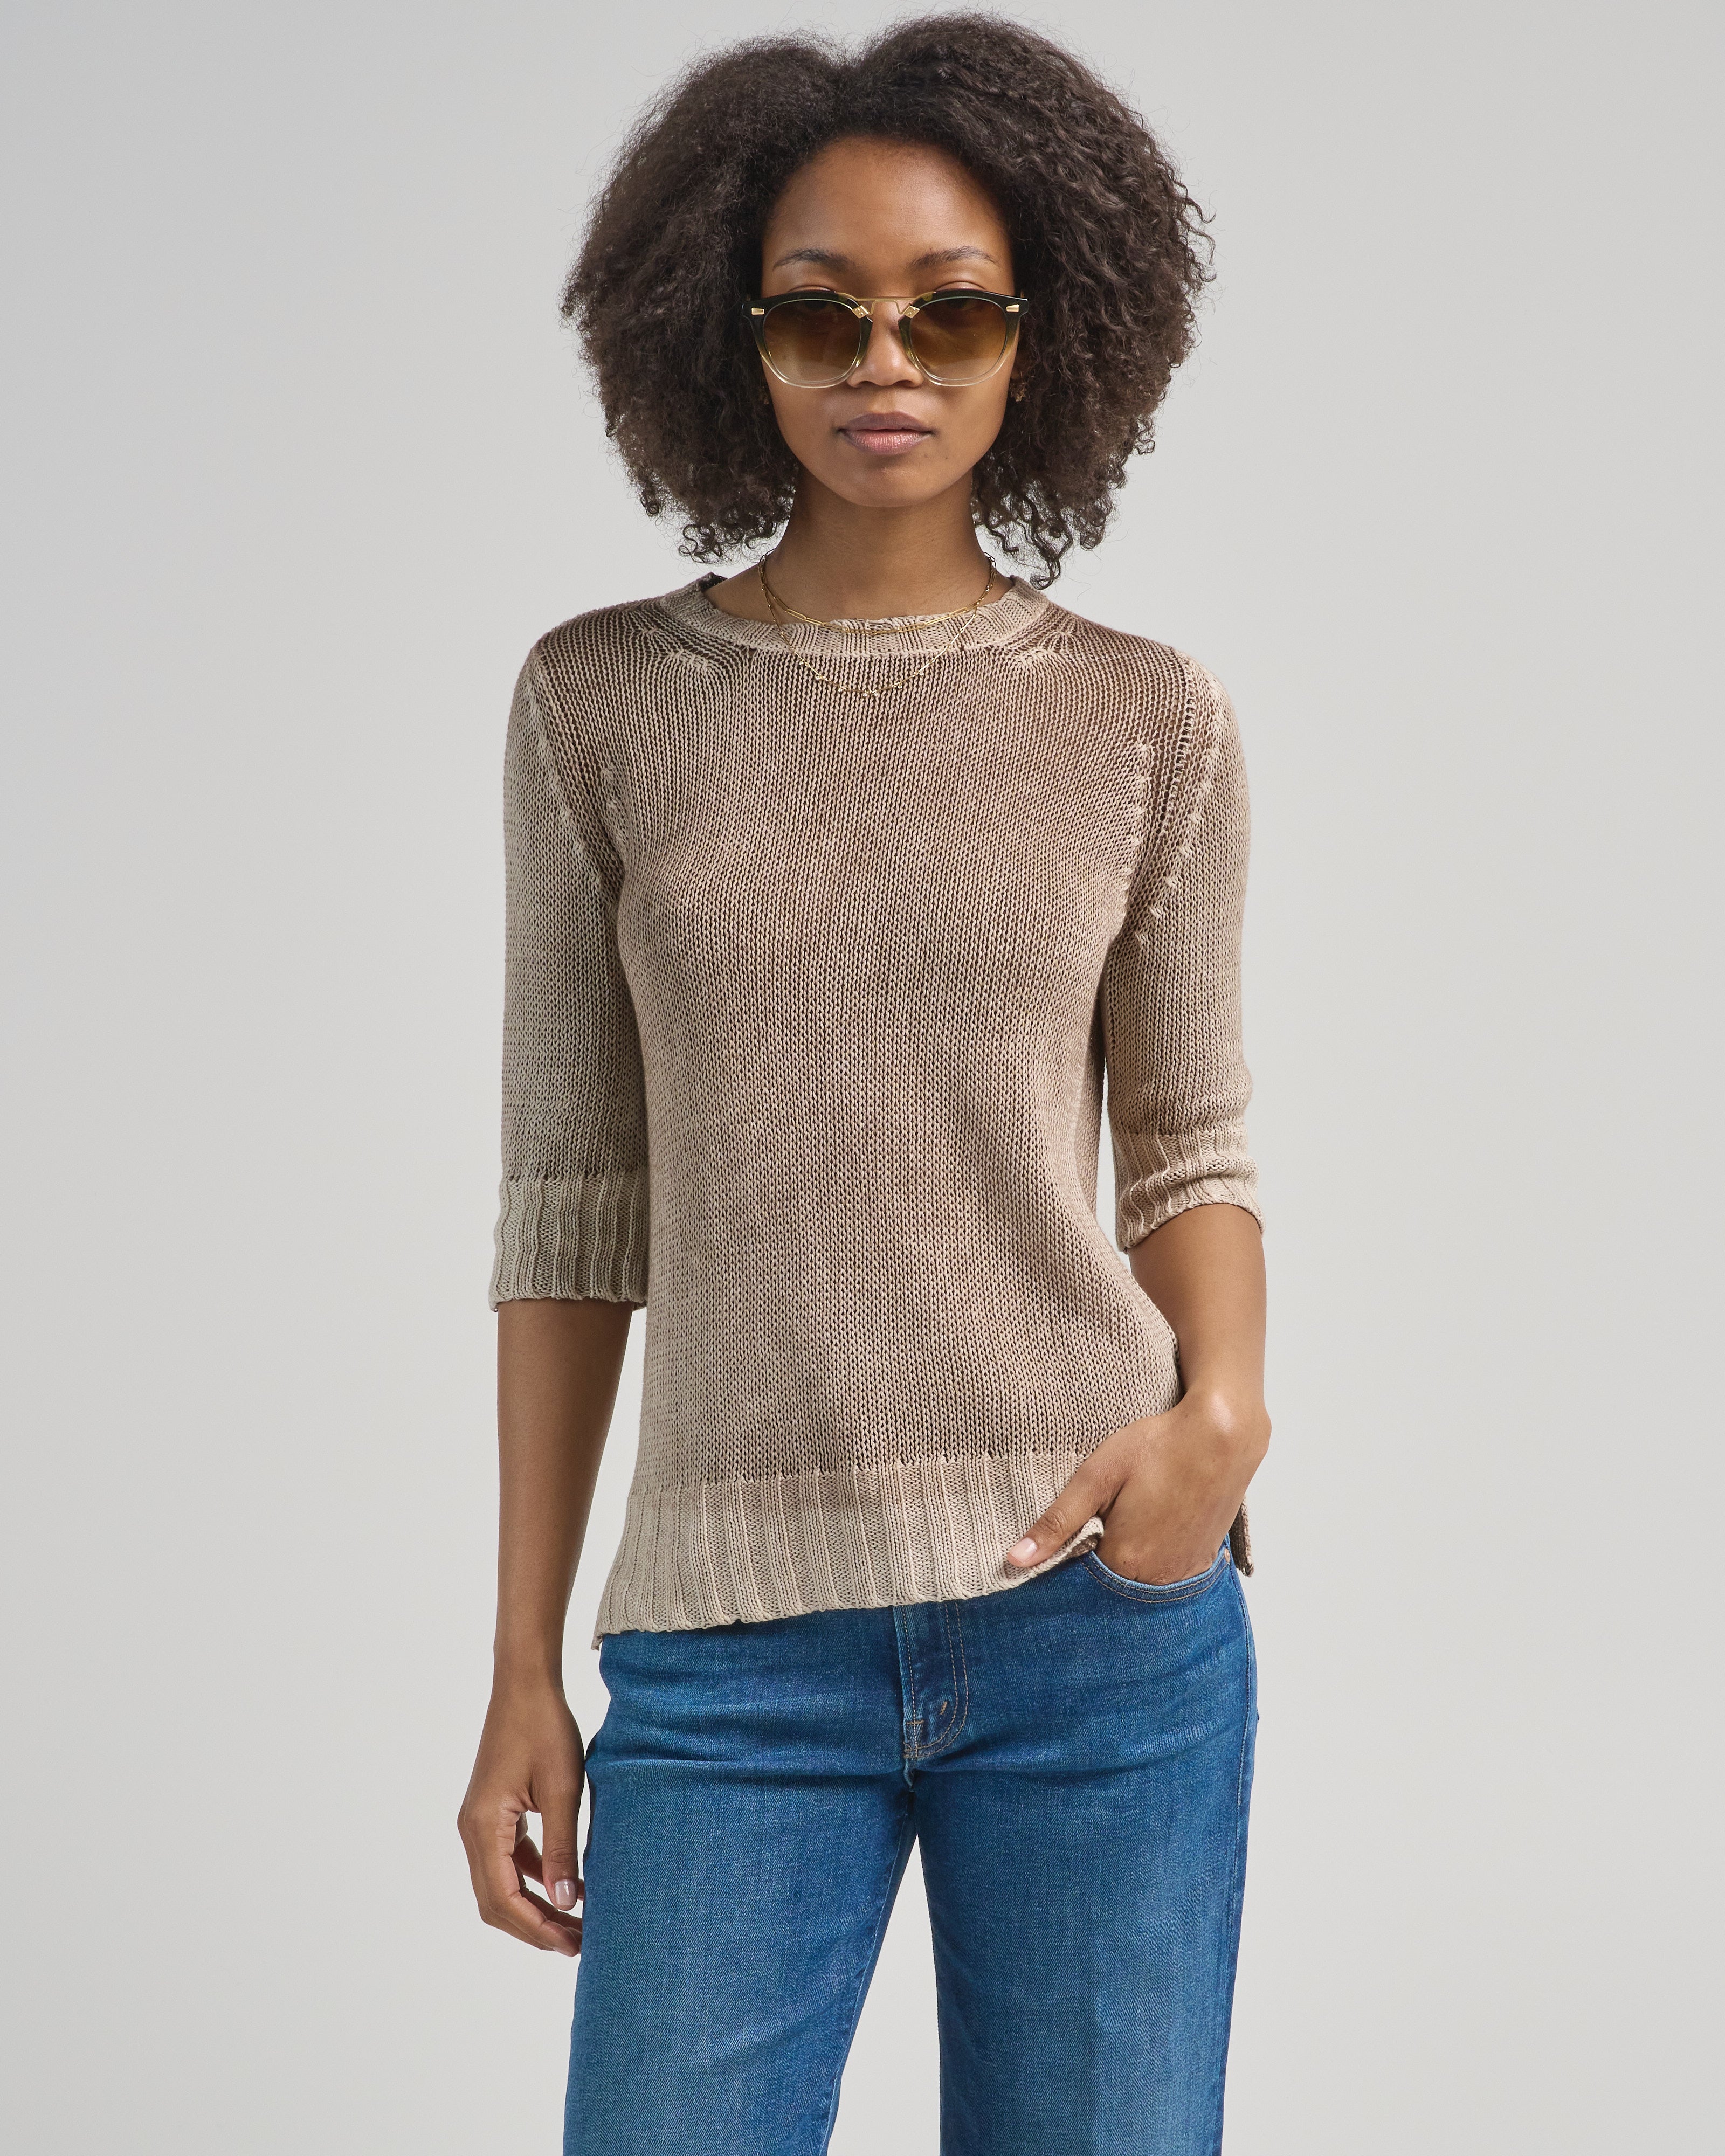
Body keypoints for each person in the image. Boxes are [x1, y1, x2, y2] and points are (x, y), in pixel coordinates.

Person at [458, 16, 1269, 2154]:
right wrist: (524, 1664)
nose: (881, 361)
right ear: (726, 337)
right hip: (729, 1656)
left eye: (949, 311)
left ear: (1041, 338)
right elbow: (571, 1202)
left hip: (1102, 1622)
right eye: (817, 313)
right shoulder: (600, 708)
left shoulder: (1146, 723)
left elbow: (1189, 1143)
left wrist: (1222, 1419)